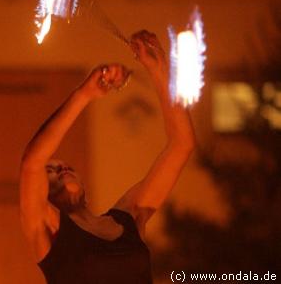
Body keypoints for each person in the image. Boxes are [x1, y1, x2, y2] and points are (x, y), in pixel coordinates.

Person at [19, 30, 195, 284]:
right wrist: (85, 95)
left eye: (64, 165)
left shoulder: (129, 217)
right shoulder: (47, 227)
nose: (61, 167)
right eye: (51, 170)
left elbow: (182, 145)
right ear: (42, 191)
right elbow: (31, 161)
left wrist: (158, 70)